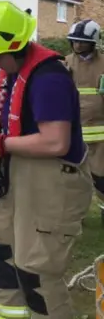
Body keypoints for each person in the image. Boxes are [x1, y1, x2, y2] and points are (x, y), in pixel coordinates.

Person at [0, 1, 92, 319]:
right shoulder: (16, 72)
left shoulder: (49, 78)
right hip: (19, 180)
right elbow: (15, 123)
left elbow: (55, 140)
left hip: (51, 185)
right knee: (1, 254)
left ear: (14, 46)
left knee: (38, 276)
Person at [64, 19, 104, 223]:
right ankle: (74, 215)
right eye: (75, 41)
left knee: (101, 177)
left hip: (101, 136)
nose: (78, 45)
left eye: (82, 41)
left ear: (93, 42)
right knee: (72, 178)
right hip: (74, 132)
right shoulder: (67, 62)